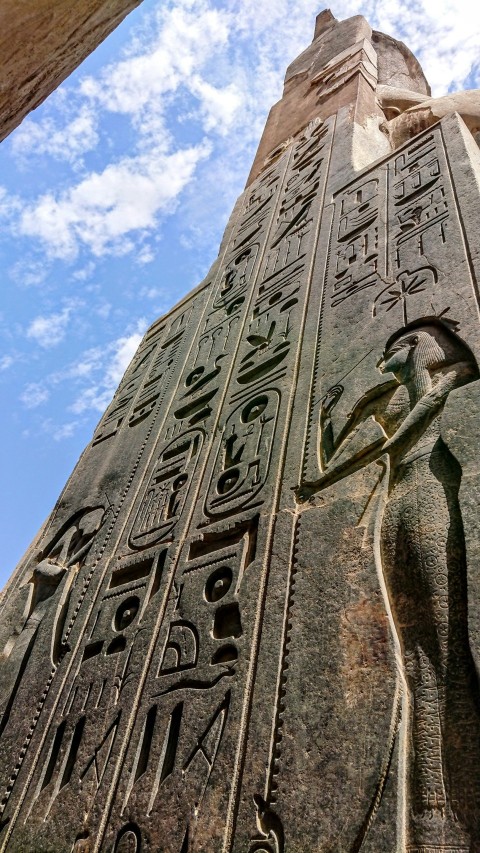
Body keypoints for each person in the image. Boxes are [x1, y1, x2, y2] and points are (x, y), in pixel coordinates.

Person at [296, 318, 480, 850]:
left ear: (417, 346)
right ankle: (429, 812)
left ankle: (458, 804)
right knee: (412, 655)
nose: (384, 358)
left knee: (446, 646)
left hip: (431, 493)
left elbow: (396, 442)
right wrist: (327, 416)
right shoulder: (384, 398)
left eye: (394, 347)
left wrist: (322, 484)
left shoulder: (450, 378)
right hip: (395, 509)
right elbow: (334, 452)